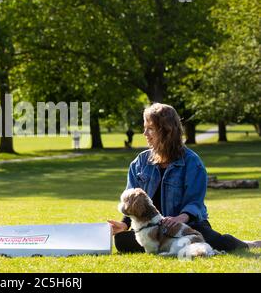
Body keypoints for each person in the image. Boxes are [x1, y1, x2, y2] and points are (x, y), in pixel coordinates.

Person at [108, 103, 260, 253]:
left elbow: (194, 202)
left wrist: (179, 219)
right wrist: (124, 224)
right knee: (122, 242)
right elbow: (132, 201)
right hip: (153, 228)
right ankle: (166, 244)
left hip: (188, 224)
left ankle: (247, 245)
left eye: (150, 129)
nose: (145, 134)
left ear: (167, 131)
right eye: (145, 128)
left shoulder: (192, 162)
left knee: (210, 240)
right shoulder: (140, 162)